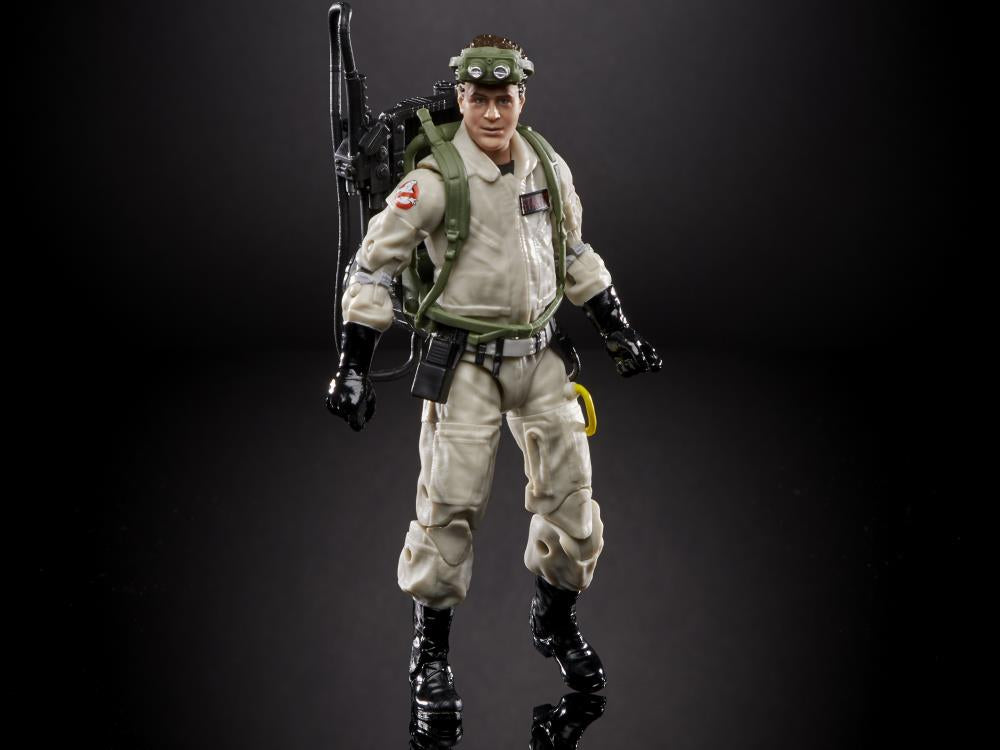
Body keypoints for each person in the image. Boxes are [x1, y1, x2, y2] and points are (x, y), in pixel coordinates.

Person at [326, 34, 661, 720]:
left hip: (540, 358)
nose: (491, 113)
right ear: (463, 98)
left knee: (574, 505)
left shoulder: (546, 165)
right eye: (479, 99)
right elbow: (373, 267)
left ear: (521, 100)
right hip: (467, 364)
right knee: (448, 508)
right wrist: (353, 364)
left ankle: (554, 619)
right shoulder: (435, 179)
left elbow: (574, 253)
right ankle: (430, 651)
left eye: (503, 99)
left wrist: (617, 327)